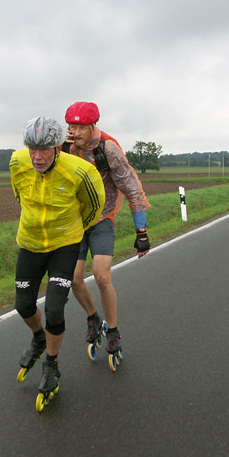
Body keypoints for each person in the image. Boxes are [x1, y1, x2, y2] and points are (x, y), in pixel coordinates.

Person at [10, 117, 105, 411]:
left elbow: (93, 208)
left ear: (58, 148)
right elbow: (19, 195)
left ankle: (51, 364)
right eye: (32, 150)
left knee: (53, 308)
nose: (37, 157)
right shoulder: (17, 162)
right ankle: (39, 339)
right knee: (24, 305)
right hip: (31, 243)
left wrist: (73, 232)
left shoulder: (80, 172)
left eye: (44, 150)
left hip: (64, 245)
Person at [62, 101, 151, 370]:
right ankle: (93, 318)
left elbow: (132, 189)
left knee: (101, 275)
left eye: (79, 127)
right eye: (70, 126)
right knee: (74, 279)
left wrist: (142, 232)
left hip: (103, 217)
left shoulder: (108, 148)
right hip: (76, 220)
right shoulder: (65, 147)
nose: (74, 132)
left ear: (92, 127)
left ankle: (112, 331)